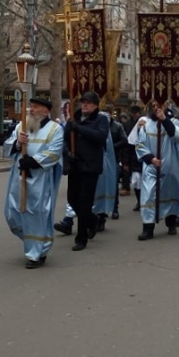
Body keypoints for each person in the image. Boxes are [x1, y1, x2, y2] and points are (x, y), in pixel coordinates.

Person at [3, 97, 64, 268]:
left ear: (45, 111)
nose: (31, 110)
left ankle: (37, 253)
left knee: (36, 214)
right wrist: (17, 144)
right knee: (12, 212)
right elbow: (8, 146)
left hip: (39, 179)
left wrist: (32, 162)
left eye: (35, 107)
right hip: (18, 177)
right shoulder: (21, 126)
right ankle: (32, 241)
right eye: (31, 106)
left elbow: (54, 152)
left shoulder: (55, 129)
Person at [63, 91, 109, 251]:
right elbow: (65, 139)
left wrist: (79, 129)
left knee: (84, 201)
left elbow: (100, 136)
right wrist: (68, 153)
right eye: (83, 102)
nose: (84, 104)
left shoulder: (101, 119)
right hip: (75, 165)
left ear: (96, 105)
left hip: (90, 167)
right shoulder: (74, 118)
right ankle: (91, 219)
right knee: (72, 198)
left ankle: (81, 238)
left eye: (88, 102)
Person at [135, 101, 179, 240]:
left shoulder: (174, 122)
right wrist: (151, 158)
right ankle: (148, 228)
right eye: (154, 105)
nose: (156, 108)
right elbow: (139, 144)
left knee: (169, 194)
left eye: (160, 105)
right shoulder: (147, 124)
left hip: (170, 167)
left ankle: (171, 224)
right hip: (151, 167)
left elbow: (177, 136)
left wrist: (164, 120)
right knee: (148, 195)